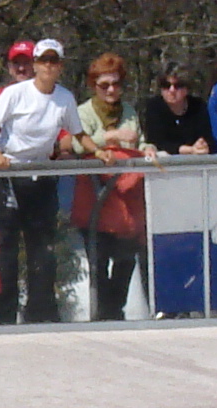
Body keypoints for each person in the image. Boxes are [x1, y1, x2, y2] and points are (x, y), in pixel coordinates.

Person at [0, 38, 78, 325]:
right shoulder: (7, 94)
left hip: (40, 179)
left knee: (43, 250)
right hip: (8, 179)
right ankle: (2, 315)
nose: (22, 68)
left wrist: (63, 148)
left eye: (27, 63)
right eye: (17, 63)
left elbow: (67, 136)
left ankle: (42, 312)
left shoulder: (60, 97)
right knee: (4, 252)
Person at [72, 55, 146, 323]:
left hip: (127, 202)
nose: (111, 90)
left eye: (116, 84)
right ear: (94, 86)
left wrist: (147, 148)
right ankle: (103, 314)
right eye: (104, 85)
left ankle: (116, 310)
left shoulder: (129, 111)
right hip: (94, 199)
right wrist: (111, 137)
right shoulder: (83, 112)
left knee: (126, 259)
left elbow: (140, 141)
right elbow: (77, 144)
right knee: (98, 261)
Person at [140, 67, 211, 155]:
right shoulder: (154, 107)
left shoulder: (198, 106)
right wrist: (189, 150)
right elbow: (156, 142)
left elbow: (206, 137)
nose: (172, 90)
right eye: (166, 85)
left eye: (178, 86)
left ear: (186, 89)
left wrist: (201, 144)